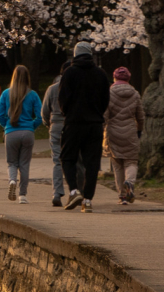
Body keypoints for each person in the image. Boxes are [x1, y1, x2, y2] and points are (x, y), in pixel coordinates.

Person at [58, 42, 111, 212]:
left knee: (67, 158)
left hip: (74, 122)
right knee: (92, 163)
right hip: (94, 124)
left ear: (75, 55)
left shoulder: (69, 73)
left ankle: (74, 190)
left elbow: (63, 99)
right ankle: (88, 199)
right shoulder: (101, 74)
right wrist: (96, 114)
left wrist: (68, 113)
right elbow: (105, 100)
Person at [0, 65, 43, 204]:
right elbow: (40, 116)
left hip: (11, 132)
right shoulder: (33, 94)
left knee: (12, 162)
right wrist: (31, 126)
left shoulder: (6, 94)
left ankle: (12, 181)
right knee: (24, 164)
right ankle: (23, 195)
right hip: (27, 132)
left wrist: (7, 125)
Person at [106, 67, 146, 205]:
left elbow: (104, 115)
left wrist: (103, 131)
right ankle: (129, 182)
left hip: (113, 131)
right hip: (130, 131)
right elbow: (141, 117)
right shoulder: (135, 94)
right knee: (131, 161)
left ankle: (122, 196)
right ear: (128, 79)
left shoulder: (109, 93)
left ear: (114, 78)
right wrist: (139, 130)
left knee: (117, 164)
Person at [41, 69, 67, 205]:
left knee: (57, 161)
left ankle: (57, 192)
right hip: (69, 126)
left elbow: (45, 111)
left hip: (55, 125)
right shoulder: (73, 88)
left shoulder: (51, 90)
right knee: (74, 159)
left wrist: (48, 123)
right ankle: (77, 190)